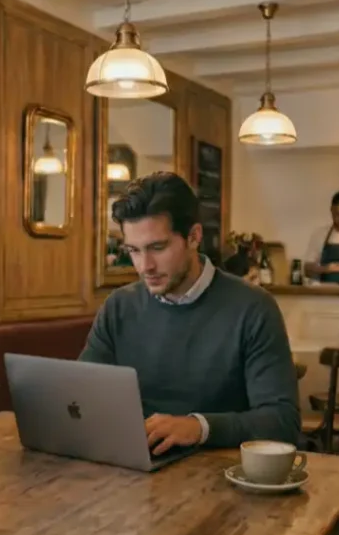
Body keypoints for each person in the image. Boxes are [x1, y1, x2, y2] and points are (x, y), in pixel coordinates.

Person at [79, 171, 301, 455]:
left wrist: (199, 428)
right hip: (134, 469)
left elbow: (283, 423)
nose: (144, 266)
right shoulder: (119, 306)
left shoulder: (254, 308)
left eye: (157, 248)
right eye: (133, 250)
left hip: (219, 476)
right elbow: (82, 396)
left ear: (194, 236)